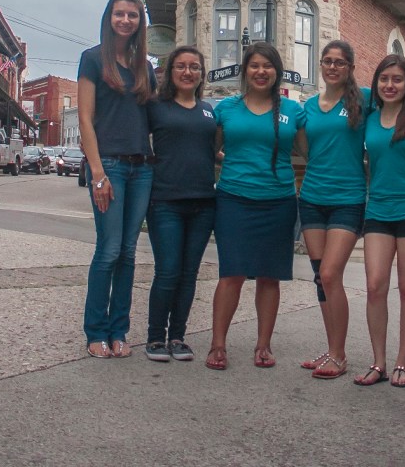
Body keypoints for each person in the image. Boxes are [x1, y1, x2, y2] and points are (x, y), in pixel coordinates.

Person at [207, 42, 305, 370]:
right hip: (234, 200)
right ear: (245, 71)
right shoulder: (227, 108)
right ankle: (217, 345)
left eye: (268, 66)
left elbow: (308, 153)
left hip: (278, 202)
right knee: (231, 274)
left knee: (269, 276)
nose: (261, 72)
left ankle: (263, 345)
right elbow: (210, 150)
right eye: (254, 66)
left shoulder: (293, 111)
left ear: (277, 72)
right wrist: (232, 163)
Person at [77, 0, 156, 359]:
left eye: (133, 15)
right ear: (109, 17)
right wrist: (96, 173)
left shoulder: (145, 68)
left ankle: (119, 330)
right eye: (120, 14)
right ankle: (95, 331)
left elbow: (155, 120)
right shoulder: (92, 59)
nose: (126, 20)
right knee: (108, 251)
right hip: (109, 166)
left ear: (141, 22)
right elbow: (85, 119)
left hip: (142, 168)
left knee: (127, 252)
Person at [354, 54, 405, 389]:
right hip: (378, 209)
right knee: (375, 286)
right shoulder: (370, 117)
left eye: (397, 79)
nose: (390, 85)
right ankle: (379, 362)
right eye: (384, 79)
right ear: (376, 83)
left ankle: (403, 361)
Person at [298, 40, 369, 379]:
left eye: (340, 62)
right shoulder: (308, 107)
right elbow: (303, 149)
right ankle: (330, 350)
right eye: (327, 61)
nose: (332, 67)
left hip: (348, 199)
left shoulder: (364, 100)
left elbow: (399, 109)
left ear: (350, 68)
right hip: (311, 197)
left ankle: (339, 356)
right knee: (320, 278)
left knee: (330, 274)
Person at [145, 46, 217, 362]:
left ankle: (178, 337)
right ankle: (155, 337)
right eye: (180, 66)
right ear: (170, 72)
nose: (187, 72)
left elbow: (211, 150)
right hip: (165, 202)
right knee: (168, 271)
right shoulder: (155, 107)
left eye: (194, 67)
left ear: (201, 74)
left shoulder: (209, 111)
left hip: (203, 203)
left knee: (189, 274)